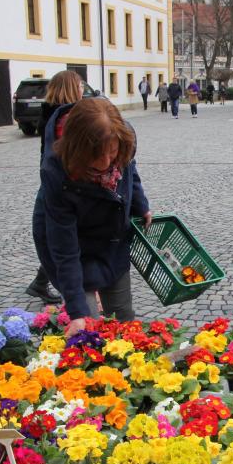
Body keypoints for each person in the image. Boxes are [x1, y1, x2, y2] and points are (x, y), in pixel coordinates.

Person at [33, 97, 153, 338]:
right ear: (78, 151)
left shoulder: (123, 140)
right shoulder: (56, 172)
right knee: (88, 330)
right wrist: (77, 314)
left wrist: (141, 206)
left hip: (113, 241)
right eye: (97, 158)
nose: (107, 164)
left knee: (124, 321)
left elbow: (131, 171)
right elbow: (64, 250)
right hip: (75, 250)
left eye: (112, 155)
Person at [26, 70, 84, 305]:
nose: (82, 89)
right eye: (79, 86)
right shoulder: (66, 117)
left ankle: (40, 282)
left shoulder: (49, 112)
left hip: (51, 182)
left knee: (57, 236)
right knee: (63, 237)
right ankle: (51, 284)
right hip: (61, 185)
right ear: (71, 87)